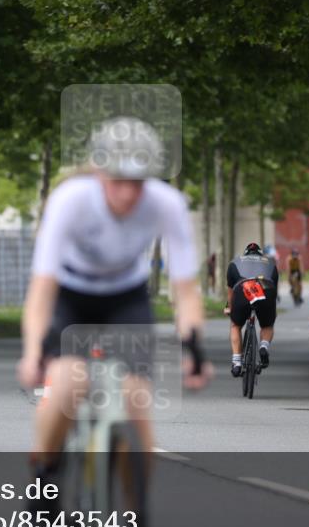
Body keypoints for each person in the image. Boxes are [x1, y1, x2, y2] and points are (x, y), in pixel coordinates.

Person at [17, 116, 211, 480]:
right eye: (118, 181)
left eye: (138, 182)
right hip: (70, 293)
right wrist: (32, 354)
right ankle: (45, 471)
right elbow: (42, 287)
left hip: (126, 295)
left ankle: (132, 523)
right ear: (98, 173)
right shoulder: (70, 200)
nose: (128, 193)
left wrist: (195, 350)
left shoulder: (166, 203)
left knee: (137, 401)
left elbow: (185, 291)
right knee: (68, 382)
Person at [225, 242, 279, 376]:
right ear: (261, 254)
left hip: (243, 290)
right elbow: (274, 289)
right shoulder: (270, 263)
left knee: (235, 325)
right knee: (267, 325)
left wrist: (229, 307)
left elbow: (231, 292)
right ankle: (264, 346)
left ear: (245, 254)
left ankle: (237, 362)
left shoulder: (235, 262)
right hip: (266, 290)